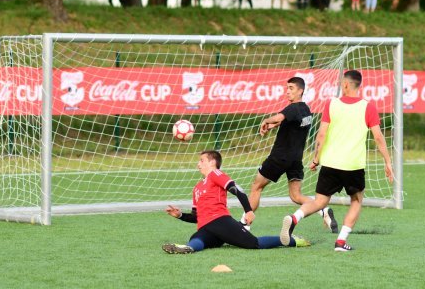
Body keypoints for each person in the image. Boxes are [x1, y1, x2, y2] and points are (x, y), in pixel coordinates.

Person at [280, 70, 393, 251]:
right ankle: (341, 241)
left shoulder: (331, 104)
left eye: (342, 82)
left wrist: (316, 158)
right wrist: (388, 162)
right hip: (353, 166)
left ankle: (294, 218)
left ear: (346, 84)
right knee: (356, 202)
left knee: (319, 202)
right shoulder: (368, 107)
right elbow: (378, 138)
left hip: (330, 164)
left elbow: (321, 134)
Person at [161, 150, 309, 253]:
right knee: (196, 239)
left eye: (202, 160)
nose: (198, 164)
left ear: (213, 162)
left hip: (220, 221)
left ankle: (293, 241)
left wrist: (248, 210)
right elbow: (196, 216)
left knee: (254, 244)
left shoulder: (215, 174)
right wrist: (180, 215)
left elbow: (236, 189)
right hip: (206, 226)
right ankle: (188, 248)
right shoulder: (197, 188)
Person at [245, 77, 337, 233]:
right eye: (287, 88)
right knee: (296, 196)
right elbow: (287, 122)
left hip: (279, 157)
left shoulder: (292, 108)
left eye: (291, 88)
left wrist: (266, 120)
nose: (287, 91)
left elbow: (280, 117)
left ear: (300, 90)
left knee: (256, 187)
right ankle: (323, 210)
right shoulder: (306, 110)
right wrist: (272, 126)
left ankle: (244, 224)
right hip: (296, 159)